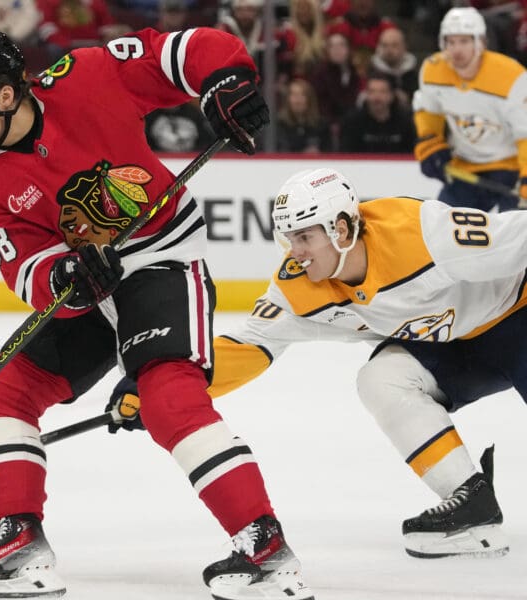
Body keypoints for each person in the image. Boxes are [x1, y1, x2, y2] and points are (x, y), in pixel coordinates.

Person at [0, 28, 311, 600]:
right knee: (0, 395)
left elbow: (180, 52)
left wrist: (225, 81)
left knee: (166, 397)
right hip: (91, 284)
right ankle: (19, 540)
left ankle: (265, 546)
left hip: (162, 258)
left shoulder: (86, 76)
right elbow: (24, 267)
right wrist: (62, 275)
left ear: (5, 94)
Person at [155, 167, 520, 560]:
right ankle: (473, 506)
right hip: (455, 345)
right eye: (289, 238)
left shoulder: (419, 233)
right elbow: (249, 343)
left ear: (342, 229)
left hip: (519, 317)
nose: (295, 251)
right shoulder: (299, 285)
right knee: (382, 379)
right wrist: (170, 386)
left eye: (305, 236)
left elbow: (518, 237)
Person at [413, 6, 527, 212]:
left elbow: (525, 133)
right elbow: (428, 110)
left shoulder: (511, 76)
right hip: (464, 167)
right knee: (441, 230)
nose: (456, 50)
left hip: (510, 170)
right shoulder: (433, 70)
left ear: (481, 43)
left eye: (464, 41)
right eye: (450, 42)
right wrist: (429, 140)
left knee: (511, 239)